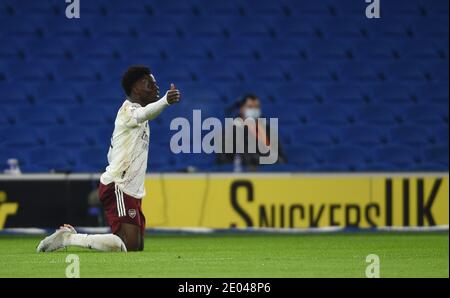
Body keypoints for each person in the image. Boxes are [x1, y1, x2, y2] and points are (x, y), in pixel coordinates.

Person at [37, 65, 181, 252]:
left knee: (135, 248)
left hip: (131, 189)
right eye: (149, 84)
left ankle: (71, 237)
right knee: (127, 245)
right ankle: (69, 238)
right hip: (119, 185)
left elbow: (113, 152)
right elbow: (145, 113)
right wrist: (165, 102)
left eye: (155, 84)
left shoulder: (138, 118)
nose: (156, 87)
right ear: (135, 88)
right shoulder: (128, 110)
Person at [217, 94, 286, 171]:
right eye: (250, 107)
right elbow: (227, 160)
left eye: (257, 107)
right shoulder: (230, 131)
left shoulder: (267, 130)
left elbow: (281, 159)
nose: (254, 110)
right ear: (241, 109)